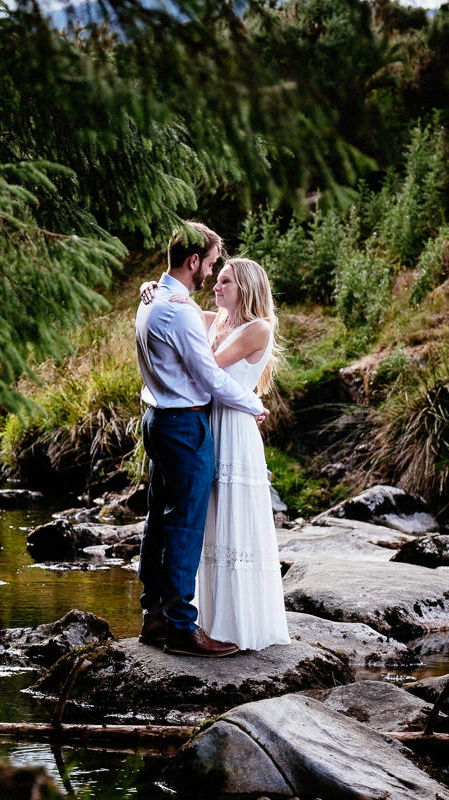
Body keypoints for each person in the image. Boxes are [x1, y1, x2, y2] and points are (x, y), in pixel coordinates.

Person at [135, 222, 269, 658]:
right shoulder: (178, 309)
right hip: (183, 426)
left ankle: (154, 616)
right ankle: (180, 628)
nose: (212, 275)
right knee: (185, 526)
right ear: (194, 261)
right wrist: (254, 405)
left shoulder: (156, 302)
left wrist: (150, 287)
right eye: (212, 265)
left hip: (156, 419)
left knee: (159, 521)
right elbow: (209, 376)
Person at [187, 258, 291, 651]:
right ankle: (210, 622)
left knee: (233, 517)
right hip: (212, 423)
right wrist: (150, 286)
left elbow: (210, 367)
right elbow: (179, 303)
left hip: (234, 428)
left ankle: (238, 626)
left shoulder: (257, 328)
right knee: (211, 517)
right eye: (217, 279)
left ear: (245, 287)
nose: (216, 285)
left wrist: (251, 401)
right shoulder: (217, 321)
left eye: (225, 281)